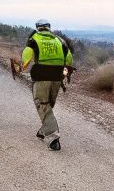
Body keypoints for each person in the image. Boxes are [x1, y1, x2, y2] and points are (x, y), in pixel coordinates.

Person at [14, 19, 74, 151]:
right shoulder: (60, 40)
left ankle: (53, 137)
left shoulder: (34, 39)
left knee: (42, 104)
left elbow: (27, 57)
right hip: (57, 77)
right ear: (49, 28)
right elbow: (69, 59)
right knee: (49, 103)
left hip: (41, 76)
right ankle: (43, 130)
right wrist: (64, 75)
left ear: (38, 27)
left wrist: (19, 68)